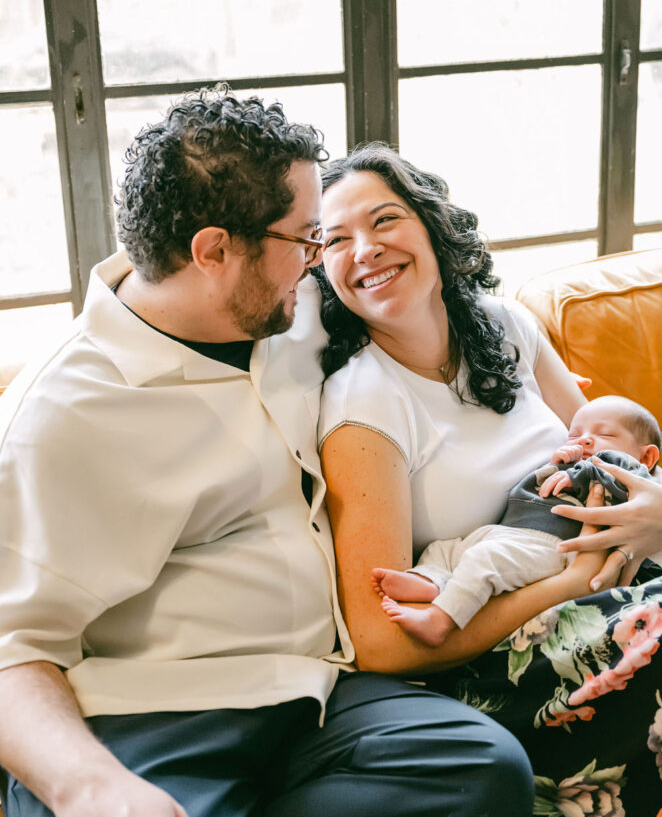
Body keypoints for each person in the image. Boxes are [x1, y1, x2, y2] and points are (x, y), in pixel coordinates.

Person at [0, 93, 537, 817]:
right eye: (308, 238)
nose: (323, 261)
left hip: (314, 688)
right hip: (153, 712)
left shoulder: (287, 306)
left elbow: (427, 293)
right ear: (213, 250)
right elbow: (11, 647)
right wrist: (87, 785)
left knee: (484, 767)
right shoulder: (61, 416)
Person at [314, 142, 662, 816]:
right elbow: (379, 642)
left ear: (432, 226)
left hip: (619, 596)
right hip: (493, 664)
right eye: (334, 239)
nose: (363, 249)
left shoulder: (505, 326)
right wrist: (567, 583)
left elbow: (608, 460)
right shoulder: (362, 406)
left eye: (384, 220)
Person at [372, 395, 662, 646]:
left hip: (554, 546)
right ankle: (432, 582)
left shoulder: (635, 479)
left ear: (647, 457)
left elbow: (617, 477)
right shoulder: (563, 463)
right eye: (575, 434)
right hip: (508, 533)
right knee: (444, 549)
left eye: (605, 435)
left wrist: (580, 471)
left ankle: (440, 619)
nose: (584, 440)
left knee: (485, 560)